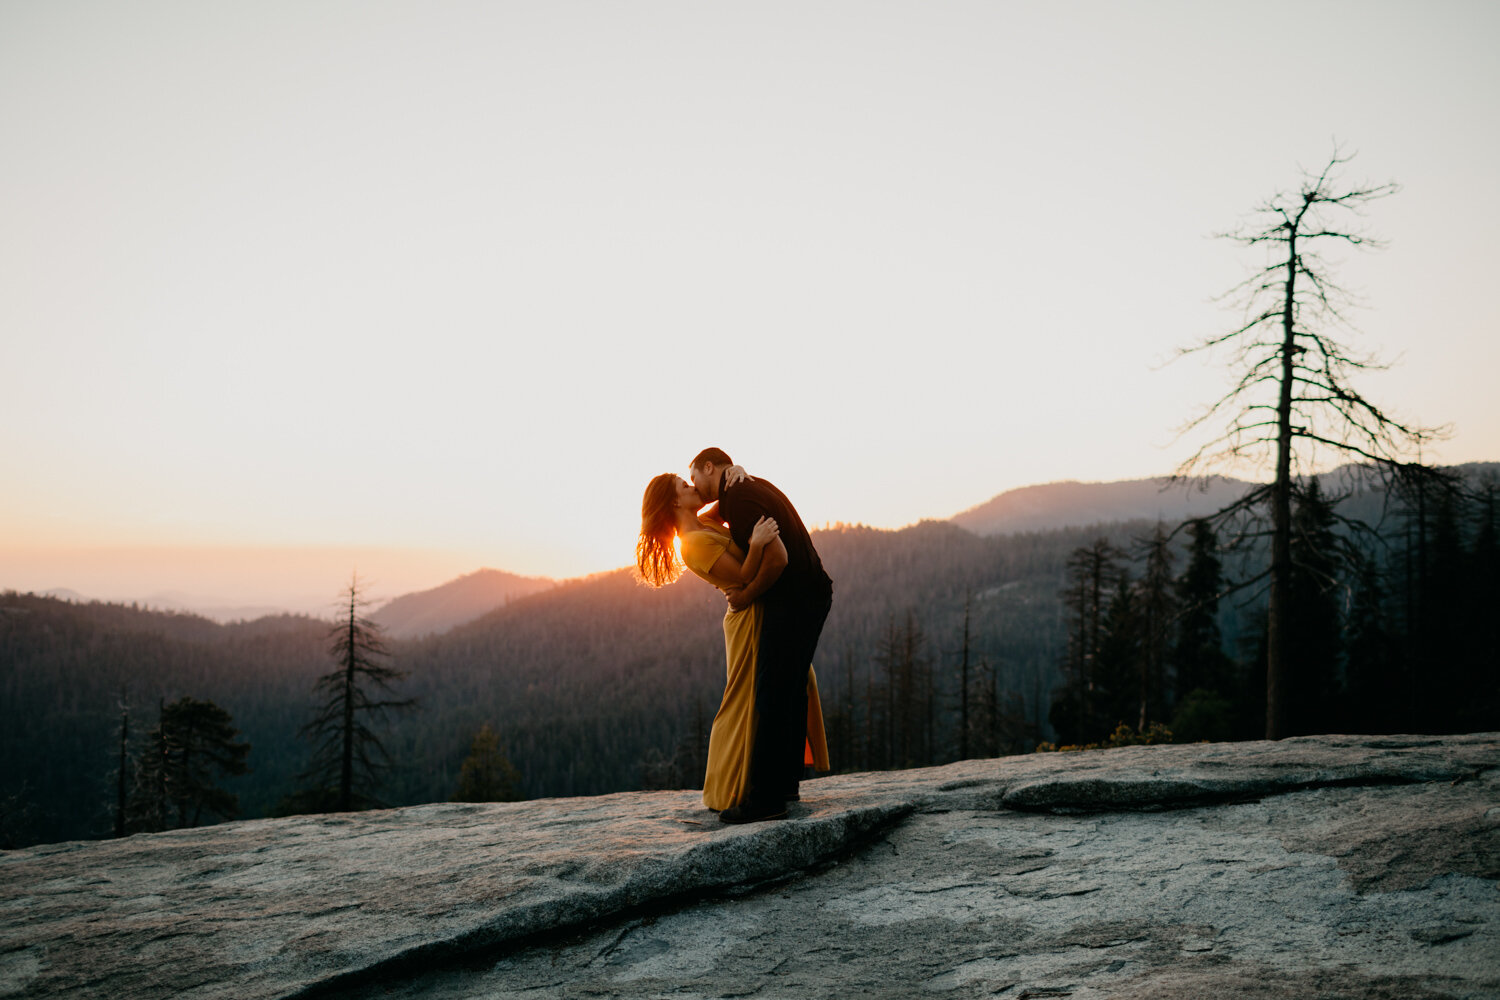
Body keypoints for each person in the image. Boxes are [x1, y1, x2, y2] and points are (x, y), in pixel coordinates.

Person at [637, 470, 829, 818]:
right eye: (684, 485)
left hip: (757, 608)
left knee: (790, 684)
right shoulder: (691, 544)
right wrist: (756, 544)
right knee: (745, 700)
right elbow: (742, 576)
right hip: (745, 619)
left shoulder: (702, 522)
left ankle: (784, 784)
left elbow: (721, 502)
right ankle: (729, 787)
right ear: (675, 501)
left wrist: (735, 473)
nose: (692, 486)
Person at [688, 448, 834, 823]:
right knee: (790, 688)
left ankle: (766, 800)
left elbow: (778, 557)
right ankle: (786, 786)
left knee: (771, 693)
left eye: (694, 479)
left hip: (793, 599)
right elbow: (696, 516)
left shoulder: (738, 497)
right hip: (810, 593)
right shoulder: (743, 489)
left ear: (709, 466)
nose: (694, 488)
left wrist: (744, 596)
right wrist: (734, 472)